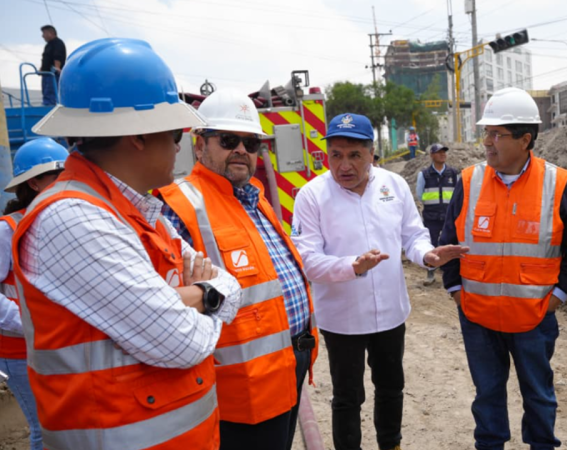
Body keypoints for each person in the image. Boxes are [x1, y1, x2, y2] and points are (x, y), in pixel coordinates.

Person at [17, 37, 242, 450]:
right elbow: (182, 343)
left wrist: (192, 295)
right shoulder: (73, 218)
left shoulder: (136, 210)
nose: (178, 145)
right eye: (173, 131)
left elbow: (233, 286)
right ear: (138, 135)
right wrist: (209, 295)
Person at [291, 113, 468, 450]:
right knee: (347, 396)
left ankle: (392, 444)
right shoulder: (311, 196)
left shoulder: (393, 185)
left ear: (372, 154)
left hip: (390, 313)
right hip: (342, 318)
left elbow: (413, 235)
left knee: (390, 387)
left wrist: (427, 255)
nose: (344, 165)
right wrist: (353, 266)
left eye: (354, 155)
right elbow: (307, 260)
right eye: (336, 155)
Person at [159, 88, 318, 450]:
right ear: (200, 146)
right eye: (229, 140)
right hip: (239, 388)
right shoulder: (179, 205)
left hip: (288, 365)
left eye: (251, 143)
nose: (242, 150)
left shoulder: (255, 198)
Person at [439, 87, 567, 450]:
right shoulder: (469, 181)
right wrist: (456, 292)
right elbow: (448, 241)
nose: (488, 143)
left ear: (526, 140)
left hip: (534, 319)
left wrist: (556, 298)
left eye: (497, 134)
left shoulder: (557, 183)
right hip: (478, 318)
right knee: (487, 398)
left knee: (539, 398)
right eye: (486, 133)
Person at [0, 137, 68, 450]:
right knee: (44, 429)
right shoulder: (7, 229)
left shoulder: (64, 224)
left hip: (59, 344)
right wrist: (31, 324)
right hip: (20, 349)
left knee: (66, 425)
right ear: (36, 183)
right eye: (59, 177)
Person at [415, 143, 458, 286]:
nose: (443, 154)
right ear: (432, 155)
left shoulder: (453, 173)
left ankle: (451, 273)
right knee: (431, 244)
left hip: (449, 216)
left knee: (451, 244)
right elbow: (420, 194)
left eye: (444, 152)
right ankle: (431, 272)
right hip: (431, 216)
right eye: (439, 152)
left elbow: (458, 194)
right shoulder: (425, 174)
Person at [39, 25, 66, 106]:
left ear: (51, 33)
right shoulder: (48, 45)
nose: (42, 36)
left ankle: (50, 106)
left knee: (51, 93)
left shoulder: (58, 43)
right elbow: (46, 58)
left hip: (53, 73)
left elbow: (57, 56)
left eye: (44, 33)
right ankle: (46, 104)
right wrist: (41, 69)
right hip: (46, 73)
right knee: (45, 92)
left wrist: (57, 67)